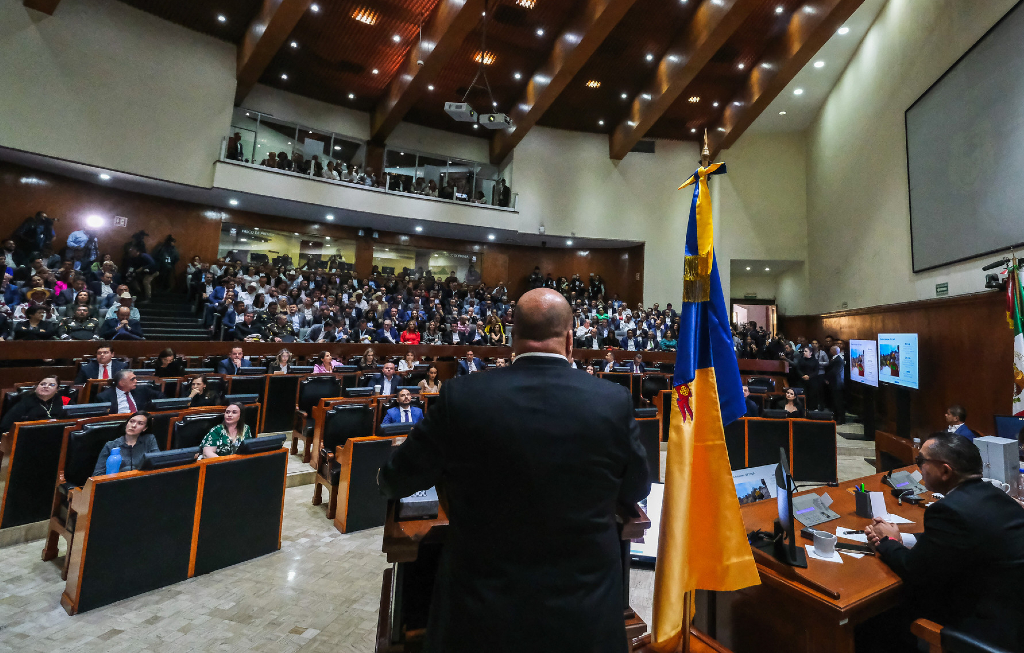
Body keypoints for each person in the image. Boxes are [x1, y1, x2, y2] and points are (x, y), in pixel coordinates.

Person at [377, 288, 650, 653]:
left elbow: (396, 478)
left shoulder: (462, 396)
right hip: (583, 618)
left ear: (511, 337)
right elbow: (637, 488)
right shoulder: (612, 401)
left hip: (480, 617)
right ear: (571, 340)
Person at [863, 432, 1024, 652]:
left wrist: (886, 541)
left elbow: (914, 572)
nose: (918, 467)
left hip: (986, 629)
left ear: (945, 470)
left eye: (921, 461)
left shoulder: (949, 510)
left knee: (875, 621)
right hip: (1013, 613)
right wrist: (902, 537)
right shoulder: (997, 496)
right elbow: (955, 540)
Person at [91, 412, 161, 475]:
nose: (133, 425)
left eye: (140, 423)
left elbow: (157, 463)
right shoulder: (111, 446)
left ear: (145, 428)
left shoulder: (149, 439)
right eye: (131, 421)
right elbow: (97, 474)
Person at [0, 375, 67, 434]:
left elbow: (73, 418)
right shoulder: (24, 401)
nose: (46, 386)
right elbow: (6, 425)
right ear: (36, 388)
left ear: (57, 390)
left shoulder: (64, 400)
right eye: (42, 384)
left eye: (51, 385)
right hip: (29, 437)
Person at [95, 369, 165, 414]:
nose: (136, 381)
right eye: (132, 379)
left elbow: (161, 397)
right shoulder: (104, 397)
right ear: (121, 383)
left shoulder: (142, 390)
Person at [824, 345, 845, 423]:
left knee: (838, 402)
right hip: (833, 384)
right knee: (834, 401)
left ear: (833, 351)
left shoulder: (839, 360)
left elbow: (834, 372)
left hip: (837, 384)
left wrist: (826, 377)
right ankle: (835, 417)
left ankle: (841, 419)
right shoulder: (835, 359)